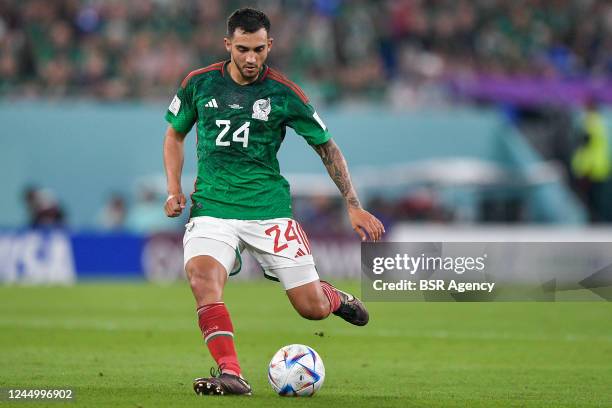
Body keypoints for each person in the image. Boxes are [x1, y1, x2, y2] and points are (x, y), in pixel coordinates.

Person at [162, 8, 385, 396]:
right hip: (212, 205)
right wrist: (173, 188)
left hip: (269, 210)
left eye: (259, 50)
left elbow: (325, 146)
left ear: (270, 46)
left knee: (309, 307)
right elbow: (174, 134)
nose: (251, 59)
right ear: (228, 44)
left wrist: (352, 203)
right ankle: (231, 372)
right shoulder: (199, 84)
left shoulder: (283, 93)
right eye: (244, 49)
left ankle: (332, 297)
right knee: (202, 279)